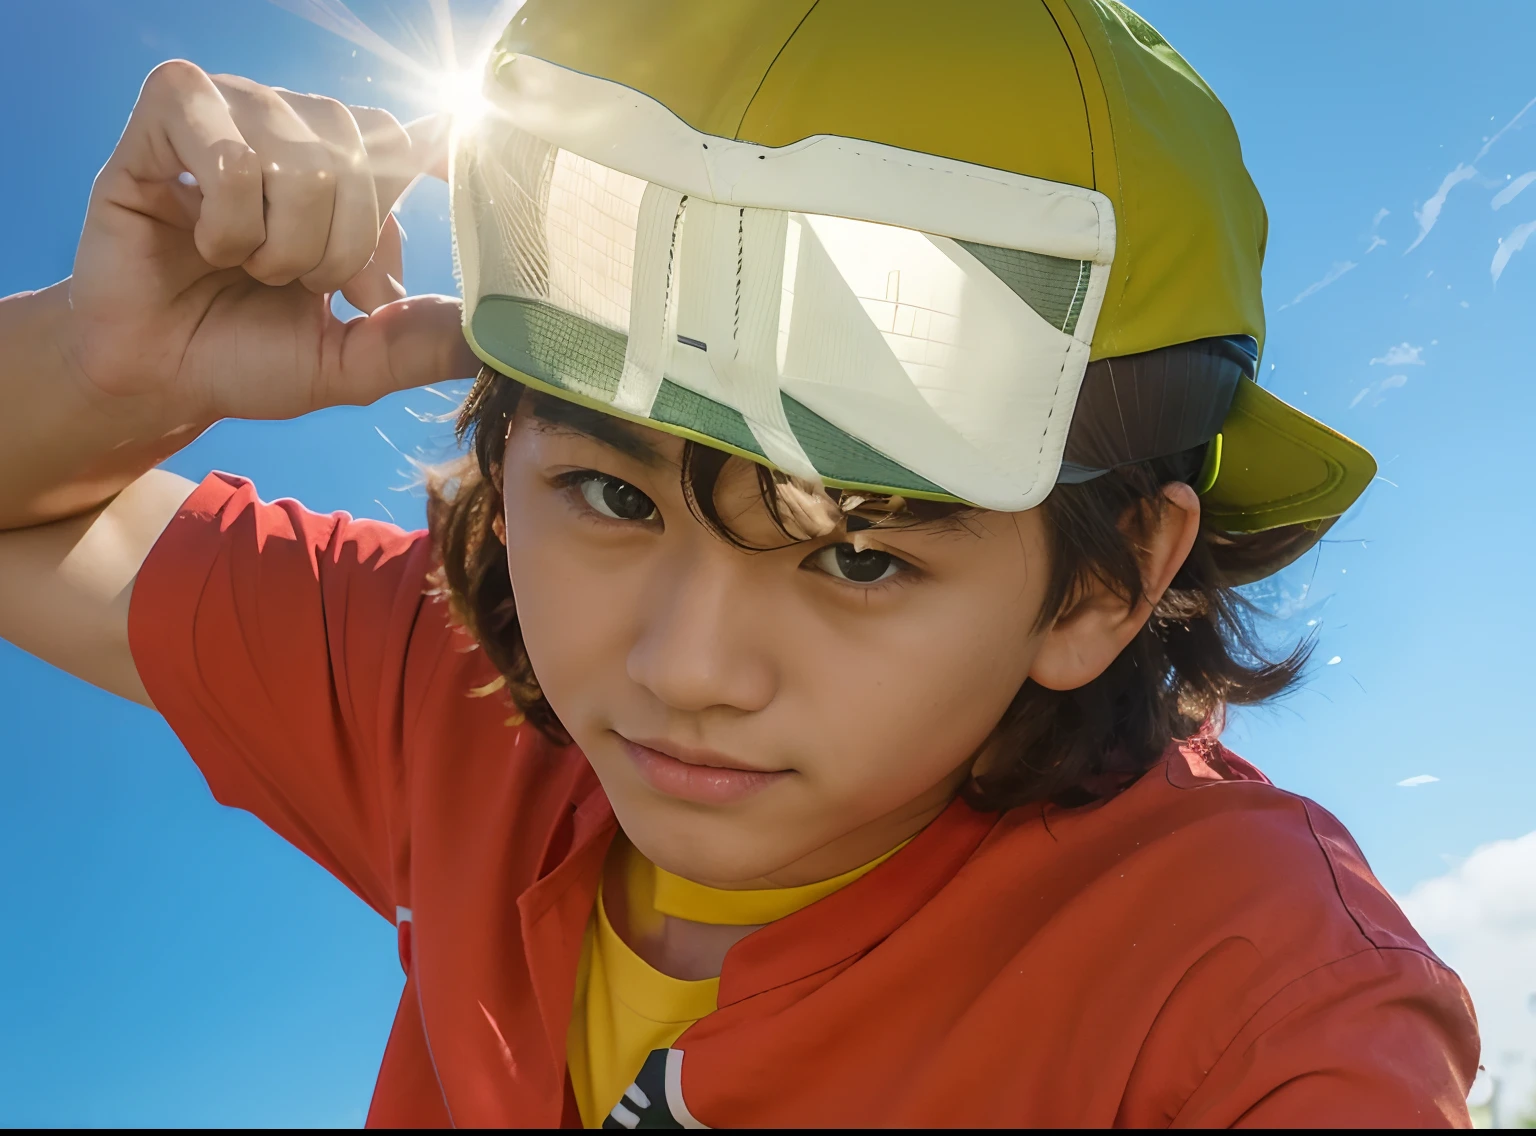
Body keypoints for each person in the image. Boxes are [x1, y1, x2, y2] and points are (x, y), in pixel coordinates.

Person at [0, 0, 1479, 1127]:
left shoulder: (1264, 1001)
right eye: (610, 495)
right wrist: (108, 362)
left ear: (1104, 584)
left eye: (860, 559)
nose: (681, 670)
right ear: (505, 457)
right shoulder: (443, 690)